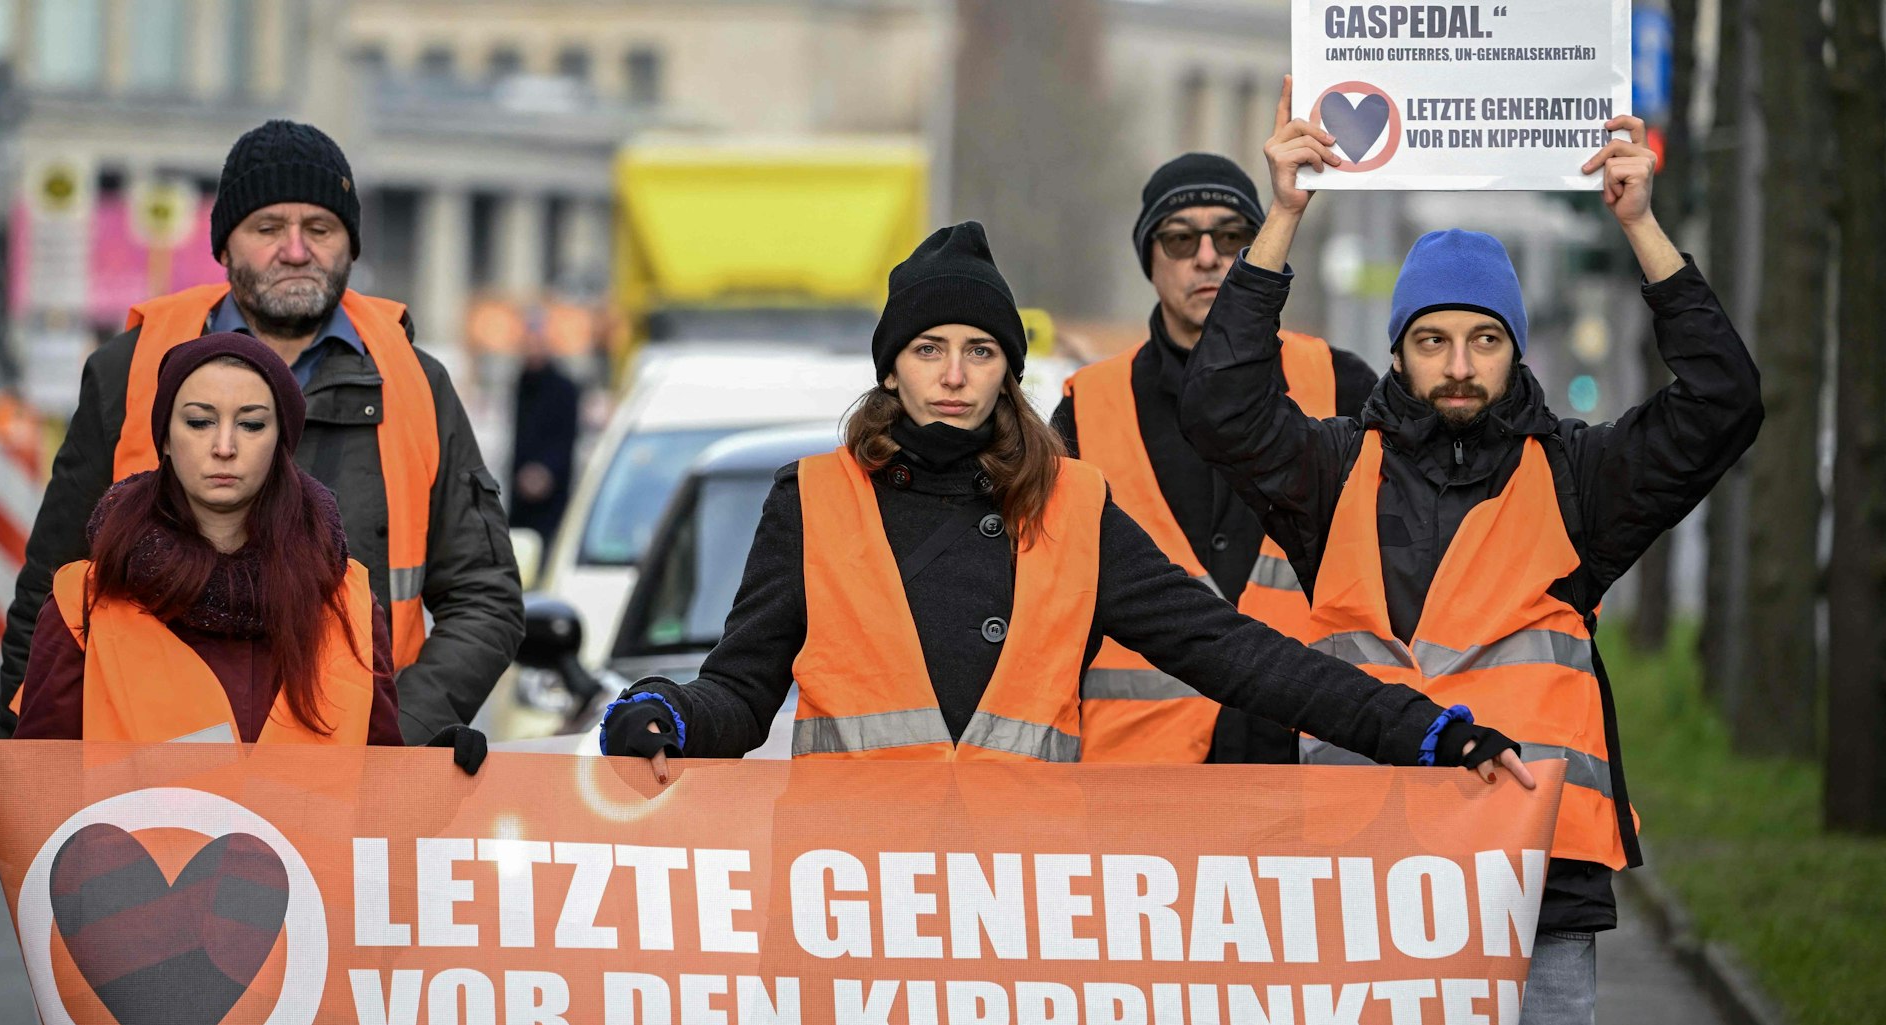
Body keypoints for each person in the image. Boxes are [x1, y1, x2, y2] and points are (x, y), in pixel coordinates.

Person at [1179, 82, 1762, 1025]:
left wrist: (1639, 226)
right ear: (1397, 351)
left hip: (1535, 881)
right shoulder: (1328, 473)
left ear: (1515, 349)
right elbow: (1219, 401)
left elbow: (1721, 401)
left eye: (1482, 340)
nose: (1456, 364)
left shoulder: (1577, 482)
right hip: (1364, 880)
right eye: (1432, 339)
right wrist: (1283, 213)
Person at [598, 221, 1535, 790]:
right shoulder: (809, 500)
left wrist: (1425, 729)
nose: (955, 375)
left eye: (979, 350)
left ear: (1009, 368)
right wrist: (667, 710)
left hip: (1023, 911)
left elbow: (1236, 654)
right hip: (852, 908)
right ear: (892, 366)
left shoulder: (1072, 506)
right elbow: (743, 688)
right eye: (930, 350)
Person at [0, 119, 523, 748]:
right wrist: (18, 780)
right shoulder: (127, 371)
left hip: (349, 789)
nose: (295, 251)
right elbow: (52, 592)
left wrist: (393, 742)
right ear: (224, 245)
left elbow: (485, 599)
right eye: (268, 228)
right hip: (150, 787)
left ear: (350, 245)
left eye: (320, 229)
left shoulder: (416, 384)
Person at [0, 335, 484, 844]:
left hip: (317, 934)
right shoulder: (86, 602)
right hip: (133, 930)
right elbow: (40, 817)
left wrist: (437, 780)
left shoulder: (347, 602)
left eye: (251, 425)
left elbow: (381, 809)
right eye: (199, 422)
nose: (224, 446)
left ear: (281, 443)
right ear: (166, 441)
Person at [1050, 154, 1378, 764]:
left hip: (1314, 770)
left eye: (1232, 236)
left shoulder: (1342, 383)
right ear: (1149, 258)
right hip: (1140, 792)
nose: (1208, 256)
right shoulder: (1085, 409)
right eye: (1180, 238)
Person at [507, 335, 581, 574]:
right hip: (521, 494)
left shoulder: (564, 388)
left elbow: (566, 439)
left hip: (553, 493)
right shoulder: (521, 385)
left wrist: (545, 472)